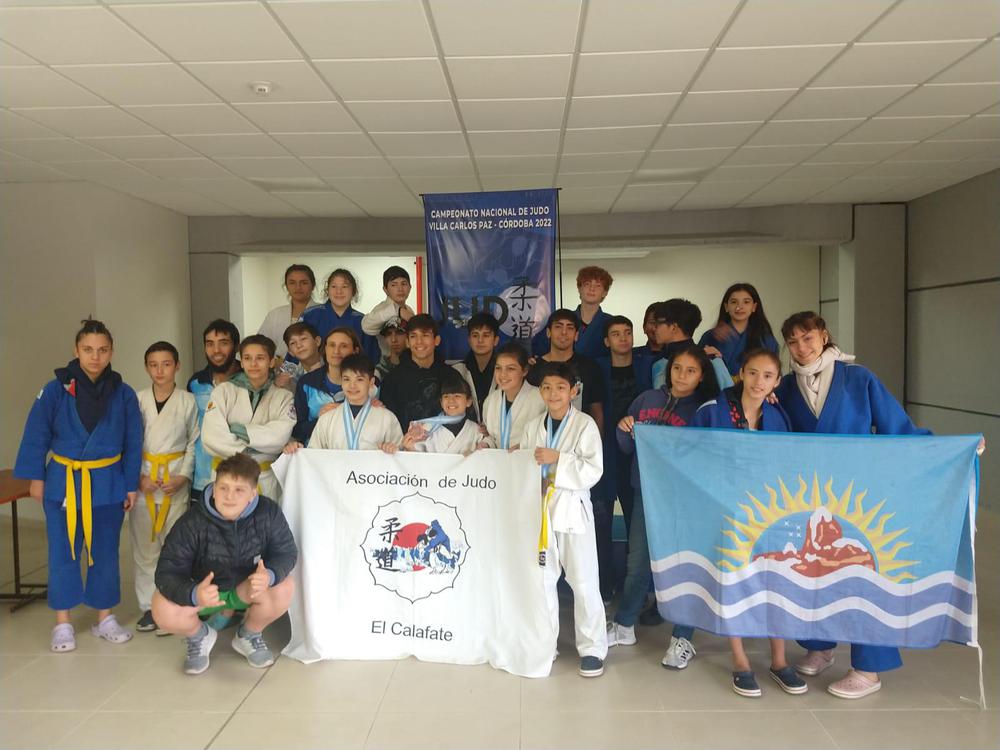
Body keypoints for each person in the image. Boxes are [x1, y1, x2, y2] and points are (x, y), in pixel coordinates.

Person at [774, 311, 930, 700]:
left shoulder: (858, 378)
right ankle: (820, 644)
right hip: (811, 495)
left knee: (865, 571)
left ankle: (868, 667)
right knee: (813, 568)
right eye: (792, 342)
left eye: (808, 338)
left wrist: (950, 448)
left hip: (860, 495)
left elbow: (898, 427)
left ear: (824, 336)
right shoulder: (786, 388)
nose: (801, 348)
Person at [14, 319, 143, 652]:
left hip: (108, 482)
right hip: (64, 482)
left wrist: (130, 484)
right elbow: (36, 434)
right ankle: (63, 623)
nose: (95, 357)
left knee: (104, 553)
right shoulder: (55, 390)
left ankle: (104, 618)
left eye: (102, 350)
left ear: (111, 352)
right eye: (88, 349)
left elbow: (133, 442)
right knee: (63, 552)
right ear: (76, 350)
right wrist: (36, 479)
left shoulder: (123, 393)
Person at [690, 348, 807, 698]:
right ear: (740, 372)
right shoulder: (712, 410)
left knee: (776, 580)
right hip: (727, 511)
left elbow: (788, 463)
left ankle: (779, 660)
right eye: (752, 373)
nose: (759, 382)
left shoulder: (778, 415)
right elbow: (689, 455)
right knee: (734, 581)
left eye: (768, 376)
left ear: (777, 381)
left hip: (771, 511)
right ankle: (740, 660)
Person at [607, 343, 719, 670]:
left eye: (691, 370)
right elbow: (626, 447)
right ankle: (625, 624)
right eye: (677, 368)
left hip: (686, 500)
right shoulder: (647, 399)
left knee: (686, 566)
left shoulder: (706, 408)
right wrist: (624, 428)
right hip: (646, 492)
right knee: (637, 562)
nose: (682, 375)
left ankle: (682, 637)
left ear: (702, 376)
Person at [152, 453, 297, 675]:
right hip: (206, 594)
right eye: (223, 488)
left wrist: (269, 575)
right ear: (214, 488)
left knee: (285, 586)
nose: (229, 496)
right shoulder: (192, 521)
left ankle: (248, 634)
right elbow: (166, 571)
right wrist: (193, 593)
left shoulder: (268, 512)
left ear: (252, 493)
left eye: (239, 490)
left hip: (246, 590)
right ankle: (199, 635)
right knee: (162, 607)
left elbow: (286, 552)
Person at [521, 361, 608, 677]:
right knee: (542, 581)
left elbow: (593, 470)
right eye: (546, 387)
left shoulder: (585, 425)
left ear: (574, 391)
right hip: (541, 511)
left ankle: (593, 649)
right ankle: (546, 643)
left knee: (583, 581)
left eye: (560, 387)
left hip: (572, 510)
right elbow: (524, 467)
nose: (553, 393)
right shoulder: (533, 426)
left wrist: (558, 459)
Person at [131, 341, 199, 635]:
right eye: (154, 365)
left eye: (166, 364)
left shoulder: (187, 400)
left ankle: (172, 603)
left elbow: (194, 442)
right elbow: (129, 442)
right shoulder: (137, 399)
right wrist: (139, 478)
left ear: (177, 366)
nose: (160, 371)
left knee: (175, 547)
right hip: (145, 482)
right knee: (145, 548)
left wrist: (183, 476)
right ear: (147, 367)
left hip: (175, 482)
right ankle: (149, 607)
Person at [593, 315, 653, 599]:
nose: (623, 338)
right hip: (604, 452)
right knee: (601, 520)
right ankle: (605, 587)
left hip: (637, 454)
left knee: (636, 523)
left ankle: (639, 591)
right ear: (606, 341)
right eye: (616, 334)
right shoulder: (597, 366)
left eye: (627, 332)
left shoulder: (646, 365)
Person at [201, 334, 296, 502]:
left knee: (264, 518)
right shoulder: (223, 391)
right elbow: (211, 436)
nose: (253, 364)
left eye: (260, 358)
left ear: (271, 362)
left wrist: (240, 431)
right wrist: (257, 446)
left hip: (264, 479)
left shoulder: (284, 396)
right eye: (247, 358)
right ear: (241, 362)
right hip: (227, 477)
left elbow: (280, 436)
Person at [286, 353, 401, 453]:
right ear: (341, 381)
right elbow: (313, 454)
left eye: (359, 379)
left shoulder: (387, 418)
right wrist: (298, 451)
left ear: (371, 382)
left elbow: (401, 456)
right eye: (346, 379)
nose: (352, 386)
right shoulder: (327, 418)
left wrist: (393, 450)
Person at [527, 309, 606, 436]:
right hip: (540, 439)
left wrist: (596, 442)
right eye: (558, 327)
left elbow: (596, 411)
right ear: (548, 332)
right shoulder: (534, 368)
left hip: (578, 439)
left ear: (576, 335)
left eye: (570, 328)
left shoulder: (590, 367)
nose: (564, 332)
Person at [187, 319, 241, 502]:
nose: (216, 350)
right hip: (202, 479)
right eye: (210, 344)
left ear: (236, 346)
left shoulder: (251, 380)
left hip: (240, 477)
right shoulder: (196, 383)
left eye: (223, 343)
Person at [379, 314, 454, 433]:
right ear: (407, 342)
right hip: (404, 443)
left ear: (436, 340)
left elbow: (461, 417)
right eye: (413, 336)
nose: (419, 342)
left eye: (425, 335)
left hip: (446, 443)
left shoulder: (451, 376)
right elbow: (386, 424)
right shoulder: (392, 379)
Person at [291, 327, 362, 445]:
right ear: (325, 348)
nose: (336, 351)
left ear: (355, 351)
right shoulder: (306, 382)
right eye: (332, 345)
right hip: (316, 451)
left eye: (344, 346)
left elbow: (376, 426)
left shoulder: (370, 384)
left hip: (354, 451)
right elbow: (297, 430)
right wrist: (321, 419)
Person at [650, 298, 733, 392]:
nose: (654, 329)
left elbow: (730, 397)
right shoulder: (658, 363)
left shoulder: (711, 359)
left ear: (673, 327)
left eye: (657, 324)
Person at [699, 283, 779, 377]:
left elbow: (774, 375)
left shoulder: (767, 340)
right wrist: (717, 362)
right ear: (726, 307)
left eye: (746, 302)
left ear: (754, 307)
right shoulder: (710, 336)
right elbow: (696, 369)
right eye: (734, 302)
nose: (739, 307)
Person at [479, 342, 546, 450]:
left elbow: (548, 437)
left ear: (524, 371)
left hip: (527, 458)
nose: (503, 374)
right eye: (498, 368)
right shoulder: (491, 400)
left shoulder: (541, 399)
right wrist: (485, 444)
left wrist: (524, 446)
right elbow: (493, 437)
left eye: (510, 369)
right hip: (497, 459)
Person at [303, 268, 379, 362]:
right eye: (334, 286)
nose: (339, 291)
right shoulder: (310, 315)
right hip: (315, 370)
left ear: (353, 291)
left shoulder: (363, 321)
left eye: (344, 286)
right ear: (327, 290)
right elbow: (297, 349)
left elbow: (371, 359)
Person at [402, 370, 480, 454]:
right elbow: (416, 457)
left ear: (468, 401)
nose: (451, 400)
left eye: (457, 396)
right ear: (441, 402)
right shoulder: (427, 429)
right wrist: (410, 448)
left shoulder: (476, 429)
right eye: (446, 396)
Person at [257, 264, 320, 360]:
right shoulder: (275, 314)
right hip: (279, 367)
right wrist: (275, 362)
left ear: (313, 285)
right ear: (286, 286)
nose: (298, 287)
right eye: (292, 283)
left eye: (304, 283)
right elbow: (260, 345)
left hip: (316, 366)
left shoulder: (324, 312)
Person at [450, 312, 500, 421]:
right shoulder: (457, 371)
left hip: (499, 429)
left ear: (495, 340)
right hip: (467, 429)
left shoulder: (505, 372)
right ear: (469, 340)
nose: (480, 340)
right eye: (475, 335)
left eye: (486, 335)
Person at [362, 264, 415, 361]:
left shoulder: (408, 309)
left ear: (410, 287)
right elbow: (366, 326)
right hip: (388, 363)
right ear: (385, 289)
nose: (400, 289)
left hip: (408, 360)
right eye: (394, 285)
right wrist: (397, 311)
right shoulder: (382, 308)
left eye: (404, 284)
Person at [274, 321, 323, 392]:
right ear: (290, 352)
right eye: (293, 343)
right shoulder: (292, 378)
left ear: (317, 341)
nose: (299, 345)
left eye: (303, 339)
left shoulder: (333, 365)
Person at [375, 316, 408, 382]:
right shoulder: (377, 373)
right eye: (388, 334)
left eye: (399, 333)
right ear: (384, 338)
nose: (393, 339)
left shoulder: (419, 366)